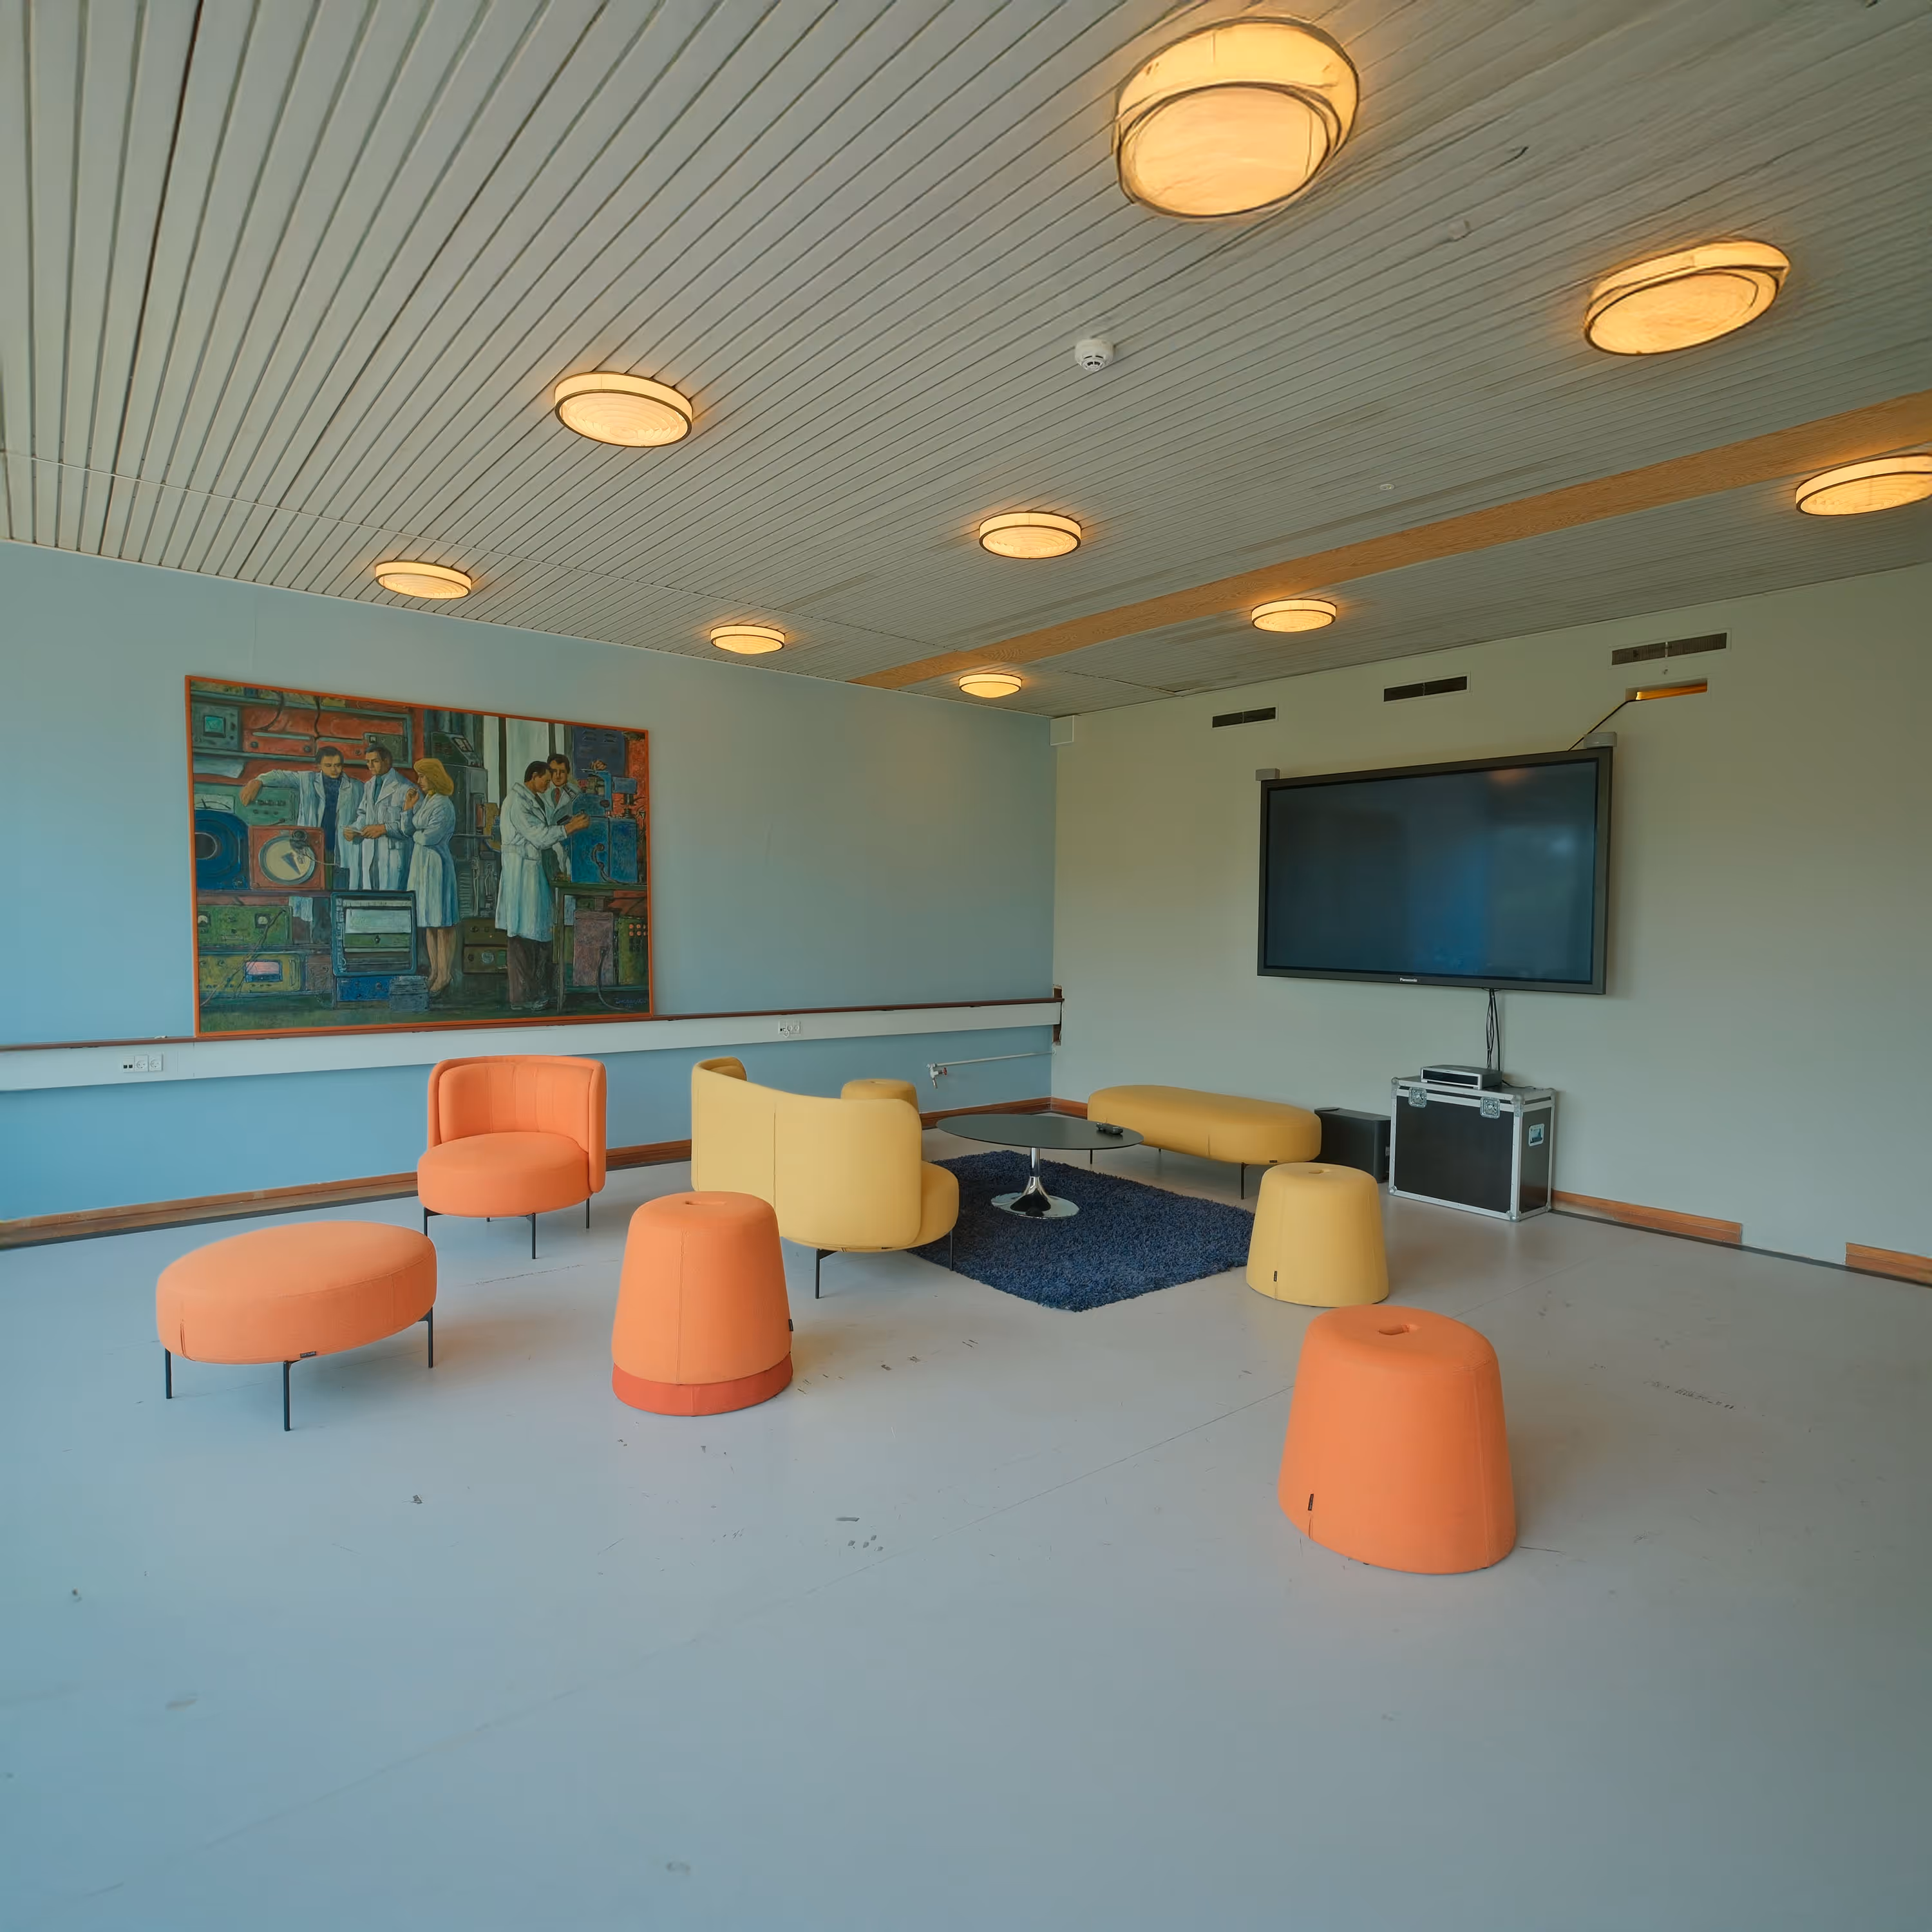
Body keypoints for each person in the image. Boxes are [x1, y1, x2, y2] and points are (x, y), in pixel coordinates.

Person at [495, 761, 589, 1010]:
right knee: (522, 937)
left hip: (533, 872)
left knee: (537, 934)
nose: (548, 785)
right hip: (520, 873)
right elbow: (539, 836)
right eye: (546, 781)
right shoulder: (517, 801)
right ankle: (522, 998)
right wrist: (570, 827)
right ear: (533, 776)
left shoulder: (534, 799)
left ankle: (537, 993)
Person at [240, 744, 360, 880]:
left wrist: (356, 828)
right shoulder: (307, 779)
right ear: (319, 766)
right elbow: (280, 776)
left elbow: (365, 814)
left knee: (341, 882)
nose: (334, 770)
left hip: (342, 845)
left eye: (338, 765)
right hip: (311, 842)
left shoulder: (357, 787)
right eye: (328, 765)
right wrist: (258, 781)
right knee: (312, 880)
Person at [399, 757, 459, 994]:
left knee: (443, 923)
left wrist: (417, 833)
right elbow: (407, 830)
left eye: (423, 776)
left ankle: (445, 974)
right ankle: (435, 970)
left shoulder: (444, 805)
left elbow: (428, 838)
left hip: (437, 867)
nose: (419, 780)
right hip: (421, 866)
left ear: (434, 777)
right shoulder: (426, 801)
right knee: (428, 923)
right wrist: (408, 808)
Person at [345, 743, 412, 891]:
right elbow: (363, 814)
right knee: (370, 894)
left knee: (392, 896)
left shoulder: (405, 787)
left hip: (393, 854)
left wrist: (384, 829)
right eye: (368, 762)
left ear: (386, 761)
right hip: (370, 851)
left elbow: (412, 826)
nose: (370, 766)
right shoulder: (369, 785)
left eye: (374, 761)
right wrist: (354, 829)